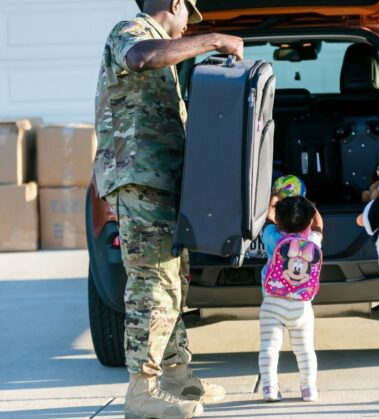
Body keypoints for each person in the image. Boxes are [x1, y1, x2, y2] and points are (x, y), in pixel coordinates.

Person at [93, 1, 243, 417]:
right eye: (187, 20)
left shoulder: (164, 51)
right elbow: (140, 58)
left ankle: (177, 379)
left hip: (162, 184)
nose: (186, 30)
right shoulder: (131, 32)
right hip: (138, 181)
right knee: (152, 285)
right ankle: (142, 393)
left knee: (173, 283)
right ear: (175, 4)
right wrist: (212, 39)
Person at [259, 194, 324, 403]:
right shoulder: (312, 240)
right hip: (302, 305)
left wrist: (273, 202)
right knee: (305, 350)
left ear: (279, 221)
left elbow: (267, 220)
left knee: (269, 347)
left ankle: (269, 388)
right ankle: (309, 389)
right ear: (308, 220)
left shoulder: (272, 237)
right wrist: (313, 208)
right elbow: (319, 226)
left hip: (272, 302)